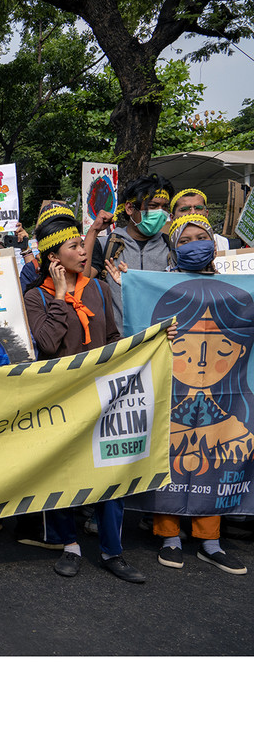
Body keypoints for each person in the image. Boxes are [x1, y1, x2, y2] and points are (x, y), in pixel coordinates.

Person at [23, 210, 147, 583]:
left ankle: (113, 551)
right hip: (59, 402)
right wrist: (60, 298)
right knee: (64, 475)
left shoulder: (97, 288)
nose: (83, 251)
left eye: (82, 243)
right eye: (74, 246)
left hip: (101, 398)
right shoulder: (34, 297)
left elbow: (110, 337)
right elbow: (45, 344)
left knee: (110, 475)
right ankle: (70, 546)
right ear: (54, 259)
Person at [119, 214, 247, 574]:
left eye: (201, 237)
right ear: (175, 247)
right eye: (186, 239)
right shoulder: (161, 287)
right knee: (171, 458)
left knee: (218, 462)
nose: (195, 244)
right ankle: (170, 537)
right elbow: (142, 328)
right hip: (172, 390)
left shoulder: (234, 284)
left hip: (224, 395)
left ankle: (211, 542)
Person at [102, 174, 174, 330]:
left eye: (165, 207)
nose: (161, 213)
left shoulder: (172, 247)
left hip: (160, 343)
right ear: (129, 208)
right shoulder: (106, 245)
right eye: (153, 206)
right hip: (118, 345)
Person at [168, 187, 231, 252]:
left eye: (198, 208)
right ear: (172, 218)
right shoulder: (164, 248)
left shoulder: (225, 244)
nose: (193, 213)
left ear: (206, 213)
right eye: (184, 209)